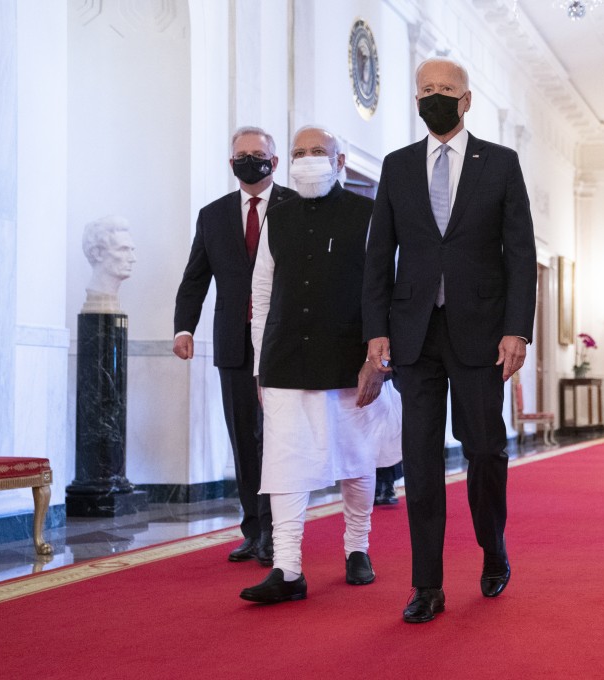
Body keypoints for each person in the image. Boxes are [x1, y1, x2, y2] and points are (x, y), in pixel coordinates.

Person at [363, 57, 537, 623]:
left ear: (466, 100)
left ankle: (492, 546)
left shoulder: (501, 164)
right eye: (425, 90)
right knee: (419, 458)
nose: (434, 97)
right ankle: (426, 585)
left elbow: (520, 256)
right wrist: (376, 331)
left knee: (485, 448)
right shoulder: (396, 166)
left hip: (483, 332)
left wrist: (517, 329)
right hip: (415, 334)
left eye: (445, 90)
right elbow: (378, 257)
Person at [240, 126, 402, 604]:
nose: (308, 159)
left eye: (318, 152)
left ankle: (358, 549)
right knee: (285, 463)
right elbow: (263, 293)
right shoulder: (278, 216)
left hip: (351, 358)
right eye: (299, 153)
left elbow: (384, 289)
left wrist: (380, 356)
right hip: (285, 358)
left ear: (340, 162)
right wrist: (258, 367)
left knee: (357, 456)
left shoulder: (367, 214)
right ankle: (288, 568)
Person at [173, 126, 296, 566]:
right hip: (233, 344)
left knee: (276, 440)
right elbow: (195, 278)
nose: (250, 160)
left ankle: (277, 530)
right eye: (241, 155)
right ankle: (253, 528)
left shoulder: (296, 207)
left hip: (283, 344)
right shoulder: (213, 215)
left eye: (258, 154)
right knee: (244, 439)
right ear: (231, 163)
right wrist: (183, 328)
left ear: (275, 162)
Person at [81, 215, 136, 313]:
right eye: (123, 249)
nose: (133, 259)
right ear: (97, 253)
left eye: (131, 250)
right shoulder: (96, 297)